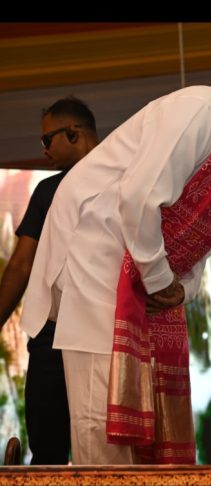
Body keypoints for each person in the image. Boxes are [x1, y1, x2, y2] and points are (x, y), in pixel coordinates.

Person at [19, 51, 211, 465]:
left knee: (136, 428)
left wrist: (183, 289)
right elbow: (139, 198)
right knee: (102, 425)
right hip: (98, 255)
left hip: (138, 268)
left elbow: (201, 234)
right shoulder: (200, 111)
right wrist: (162, 282)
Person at [0, 97, 98, 464]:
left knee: (76, 455)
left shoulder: (121, 181)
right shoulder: (50, 191)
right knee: (55, 454)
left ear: (73, 133)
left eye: (47, 140)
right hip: (62, 337)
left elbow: (21, 265)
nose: (43, 150)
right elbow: (22, 265)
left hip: (92, 340)